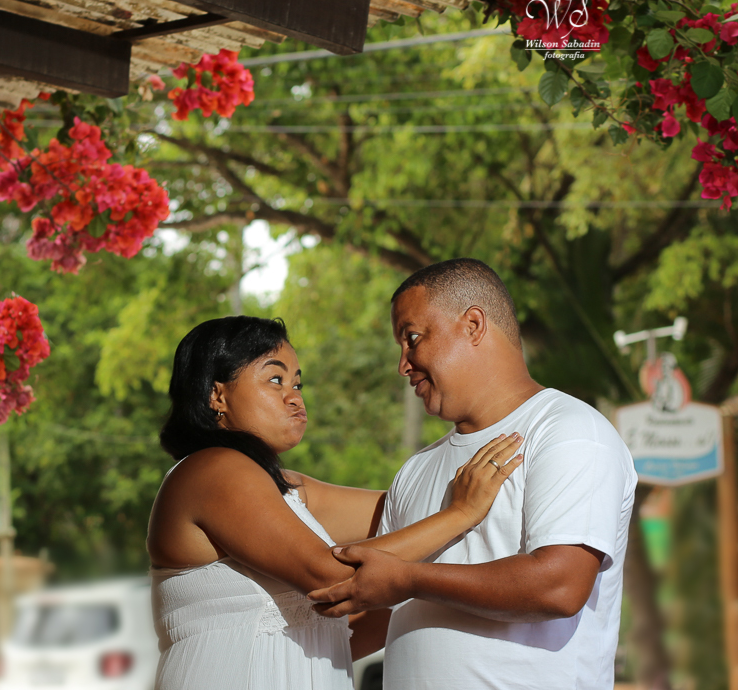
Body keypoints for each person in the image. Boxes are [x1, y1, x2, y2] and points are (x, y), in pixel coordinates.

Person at [309, 258, 638, 690]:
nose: (403, 364)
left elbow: (559, 587)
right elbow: (379, 611)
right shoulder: (415, 470)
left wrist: (409, 579)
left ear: (474, 325)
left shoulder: (569, 430)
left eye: (412, 338)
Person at [148, 316, 523, 690]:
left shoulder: (288, 491)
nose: (294, 397)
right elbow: (331, 575)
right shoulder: (212, 470)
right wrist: (461, 513)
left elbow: (407, 510)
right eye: (275, 379)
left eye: (297, 383)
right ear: (217, 395)